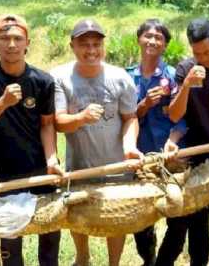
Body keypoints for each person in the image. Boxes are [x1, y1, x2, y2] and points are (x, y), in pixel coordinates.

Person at [0, 14, 63, 266]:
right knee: (11, 247)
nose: (11, 44)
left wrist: (52, 158)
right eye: (4, 38)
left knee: (50, 244)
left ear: (27, 43)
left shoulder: (42, 81)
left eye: (17, 38)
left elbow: (47, 124)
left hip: (43, 171)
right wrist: (2, 103)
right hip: (6, 175)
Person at [51, 19, 141, 266]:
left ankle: (114, 263)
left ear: (104, 46)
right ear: (72, 46)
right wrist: (80, 118)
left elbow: (130, 118)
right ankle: (82, 257)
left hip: (116, 166)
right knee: (77, 214)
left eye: (96, 44)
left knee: (118, 218)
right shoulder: (59, 78)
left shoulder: (120, 77)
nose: (91, 50)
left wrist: (130, 147)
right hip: (80, 165)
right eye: (84, 44)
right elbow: (58, 123)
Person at [157, 18, 209, 266]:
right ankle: (198, 261)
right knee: (198, 213)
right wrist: (186, 84)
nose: (202, 58)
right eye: (197, 52)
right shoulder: (186, 68)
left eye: (207, 52)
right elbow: (176, 114)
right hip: (198, 153)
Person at [126, 19, 186, 266]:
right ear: (139, 39)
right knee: (140, 217)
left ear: (165, 45)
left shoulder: (174, 76)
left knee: (179, 215)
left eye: (158, 37)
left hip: (173, 156)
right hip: (140, 157)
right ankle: (148, 258)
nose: (152, 41)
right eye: (147, 36)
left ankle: (165, 262)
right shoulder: (127, 77)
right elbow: (125, 118)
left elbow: (184, 117)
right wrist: (145, 105)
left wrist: (174, 142)